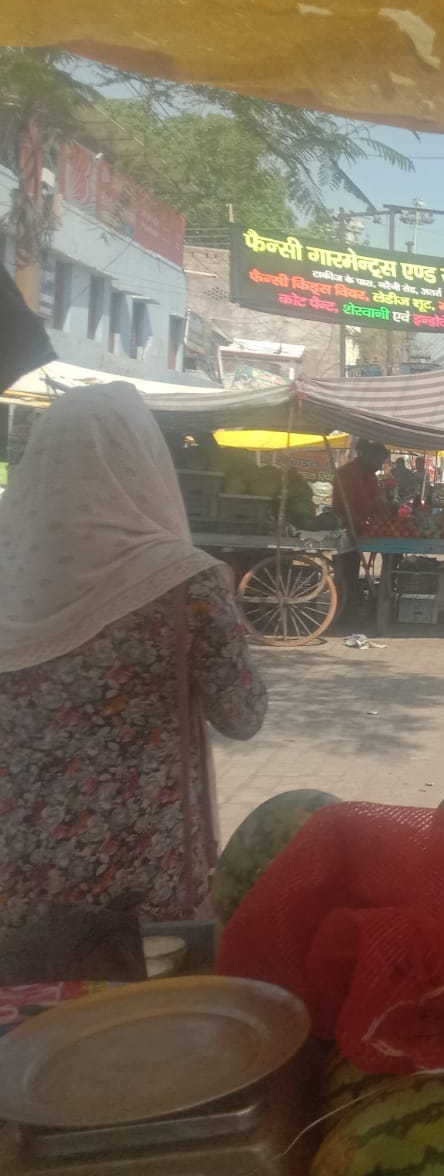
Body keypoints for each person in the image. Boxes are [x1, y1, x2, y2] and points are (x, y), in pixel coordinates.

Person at [0, 383, 267, 942]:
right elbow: (242, 715)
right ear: (142, 460)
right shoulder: (183, 581)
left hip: (18, 875)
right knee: (134, 1022)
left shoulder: (10, 575)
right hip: (146, 877)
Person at [333, 439, 389, 619]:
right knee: (346, 569)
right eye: (378, 461)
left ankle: (362, 601)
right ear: (367, 456)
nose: (380, 466)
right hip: (344, 525)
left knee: (357, 566)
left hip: (361, 526)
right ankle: (342, 609)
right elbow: (345, 505)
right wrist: (361, 525)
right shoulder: (346, 473)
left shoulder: (372, 476)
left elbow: (375, 502)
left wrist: (385, 517)